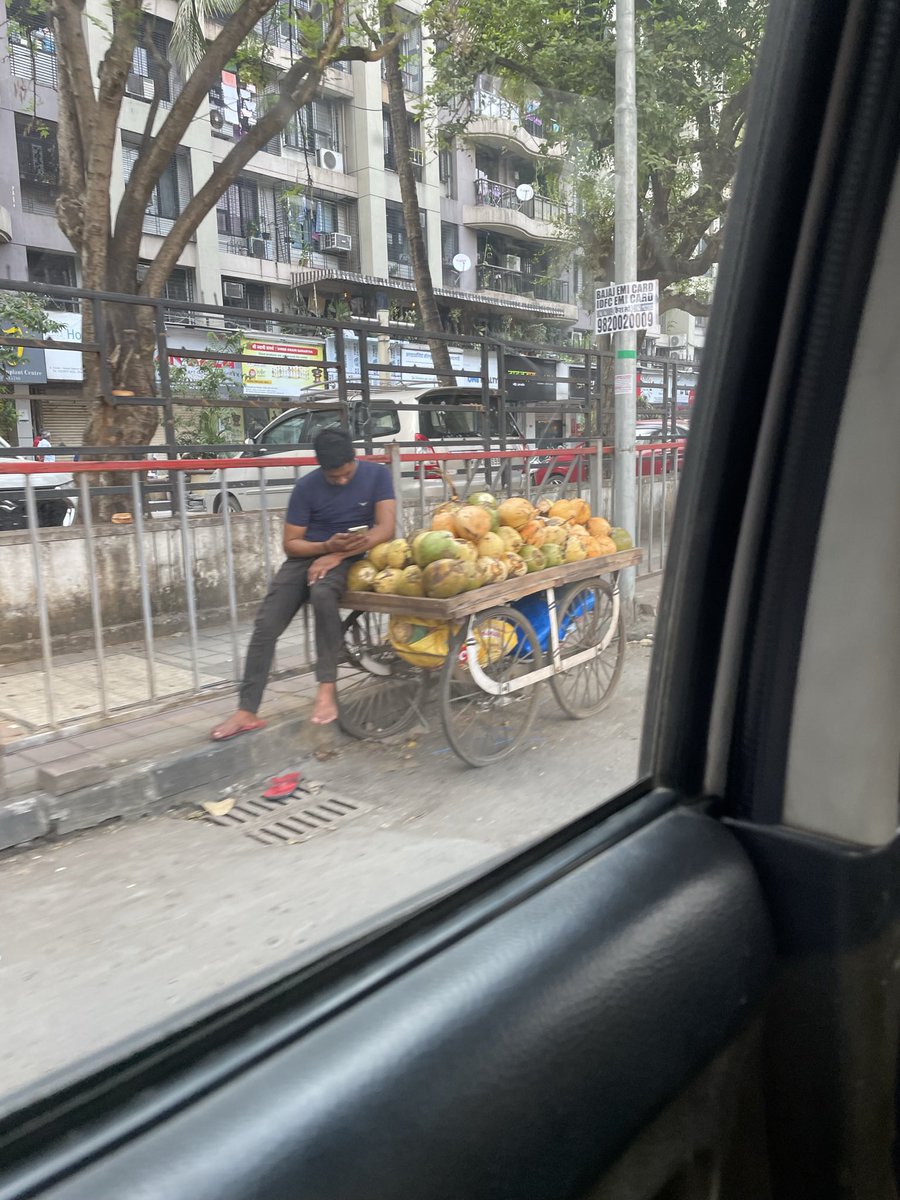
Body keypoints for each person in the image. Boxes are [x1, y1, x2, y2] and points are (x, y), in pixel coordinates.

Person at [211, 428, 395, 738]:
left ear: (354, 459)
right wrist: (325, 547)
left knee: (322, 594)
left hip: (353, 557)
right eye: (333, 477)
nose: (341, 481)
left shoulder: (377, 475)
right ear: (321, 468)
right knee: (266, 624)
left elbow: (386, 528)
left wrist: (338, 554)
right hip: (307, 557)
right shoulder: (306, 487)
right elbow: (291, 544)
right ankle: (247, 710)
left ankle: (326, 687)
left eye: (346, 474)